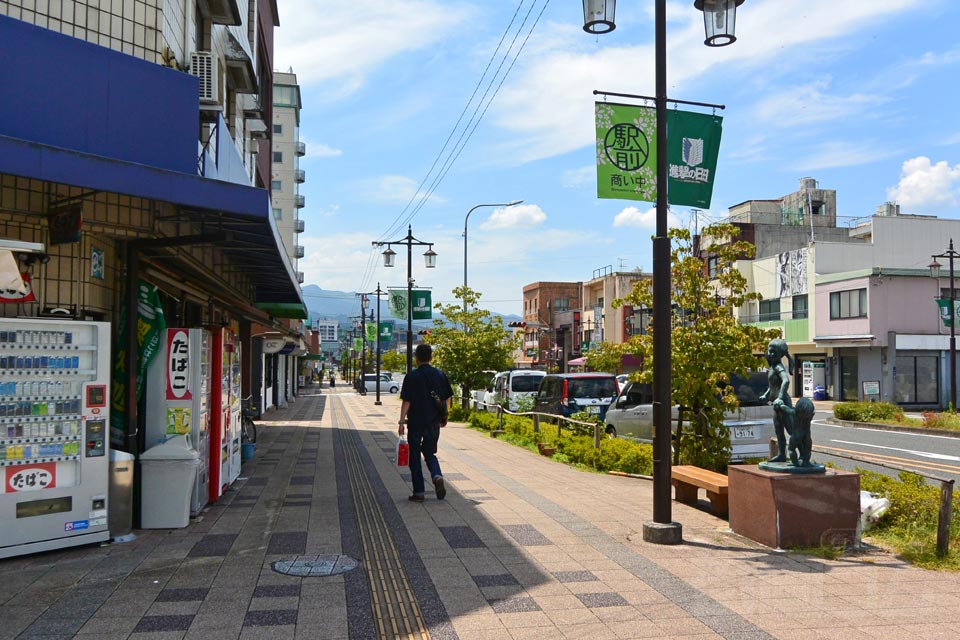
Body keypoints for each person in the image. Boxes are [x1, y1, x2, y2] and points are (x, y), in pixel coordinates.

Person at [398, 344, 453, 502]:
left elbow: (406, 401)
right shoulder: (440, 374)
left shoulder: (411, 376)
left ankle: (419, 493)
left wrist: (401, 421)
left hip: (415, 422)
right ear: (431, 357)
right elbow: (447, 398)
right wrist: (444, 415)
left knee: (414, 456)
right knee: (430, 453)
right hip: (433, 422)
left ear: (416, 358)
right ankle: (437, 476)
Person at [759, 338, 794, 462]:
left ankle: (802, 455)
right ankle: (782, 455)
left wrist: (780, 397)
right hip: (776, 405)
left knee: (791, 430)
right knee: (778, 431)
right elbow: (772, 386)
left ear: (781, 355)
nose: (771, 354)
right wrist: (766, 395)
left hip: (782, 402)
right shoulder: (772, 367)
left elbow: (786, 380)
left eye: (775, 352)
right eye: (770, 351)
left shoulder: (778, 366)